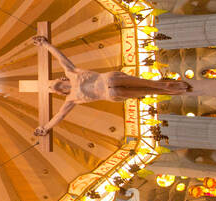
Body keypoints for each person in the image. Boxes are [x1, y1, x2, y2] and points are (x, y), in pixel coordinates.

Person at [31, 34, 189, 137]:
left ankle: (167, 86)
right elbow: (60, 115)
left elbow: (60, 57)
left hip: (108, 81)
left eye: (59, 85)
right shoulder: (71, 99)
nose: (62, 89)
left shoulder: (72, 73)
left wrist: (45, 44)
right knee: (144, 90)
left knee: (146, 84)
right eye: (59, 90)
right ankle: (167, 88)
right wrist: (46, 127)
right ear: (62, 94)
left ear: (62, 79)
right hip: (110, 94)